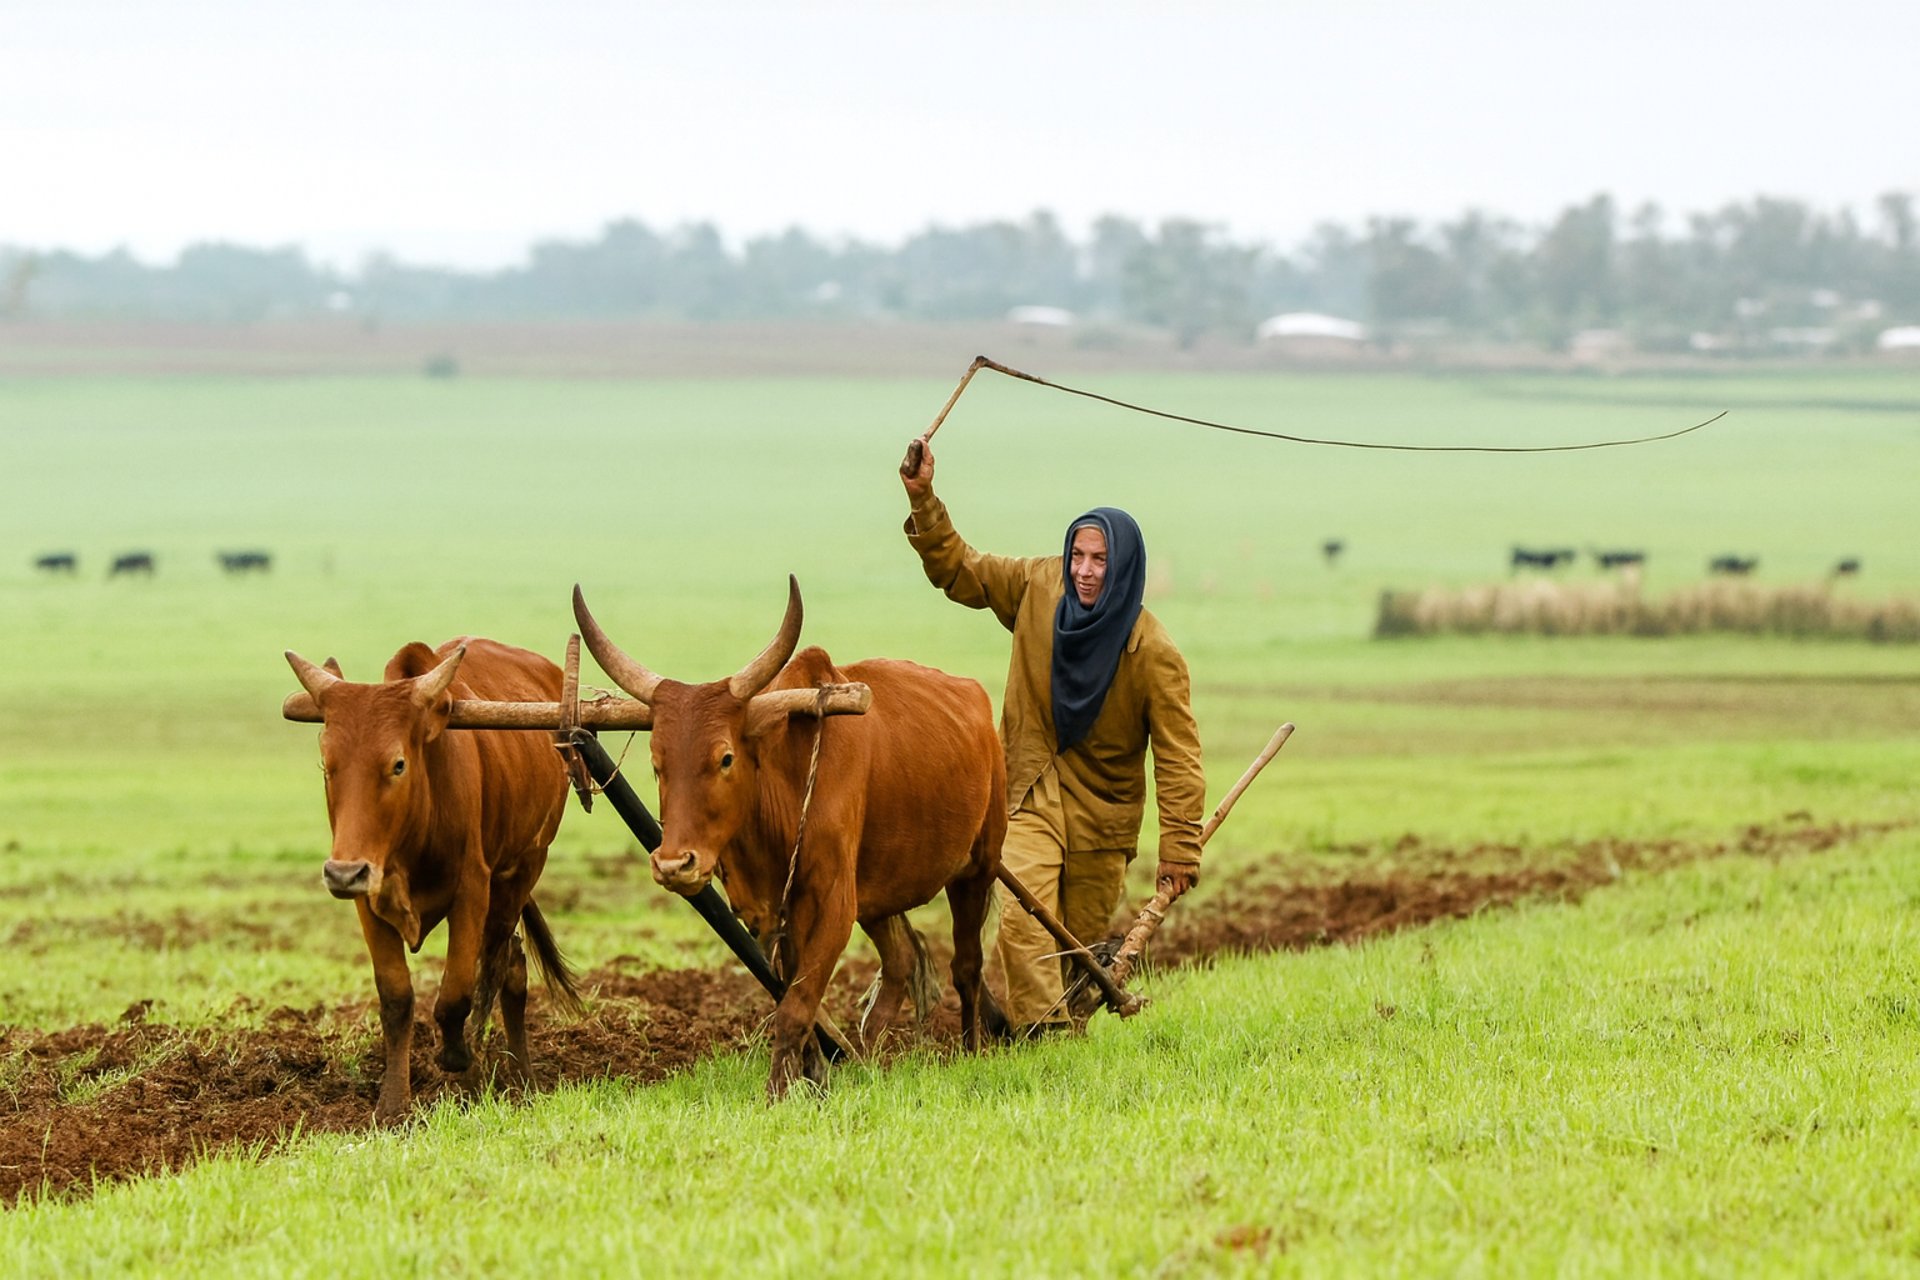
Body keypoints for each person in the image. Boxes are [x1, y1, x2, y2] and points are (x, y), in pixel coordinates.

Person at [899, 435, 1204, 1035]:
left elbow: (1178, 756)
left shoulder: (1155, 653)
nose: (1085, 572)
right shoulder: (1038, 589)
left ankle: (1041, 1023)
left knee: (1076, 947)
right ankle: (1049, 1045)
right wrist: (924, 497)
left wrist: (1180, 847)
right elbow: (960, 568)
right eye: (1078, 556)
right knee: (1023, 920)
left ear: (1122, 570)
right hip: (1030, 789)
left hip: (1102, 819)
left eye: (1100, 562)